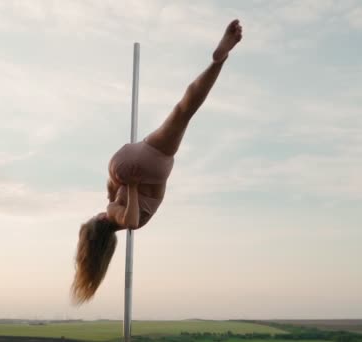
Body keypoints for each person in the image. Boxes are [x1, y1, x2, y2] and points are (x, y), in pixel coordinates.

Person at [72, 19, 243, 304]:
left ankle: (219, 61)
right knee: (181, 110)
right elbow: (130, 216)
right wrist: (127, 184)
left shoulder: (117, 214)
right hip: (128, 166)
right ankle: (217, 62)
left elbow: (132, 218)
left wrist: (133, 186)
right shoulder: (115, 212)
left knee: (185, 109)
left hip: (148, 166)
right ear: (98, 223)